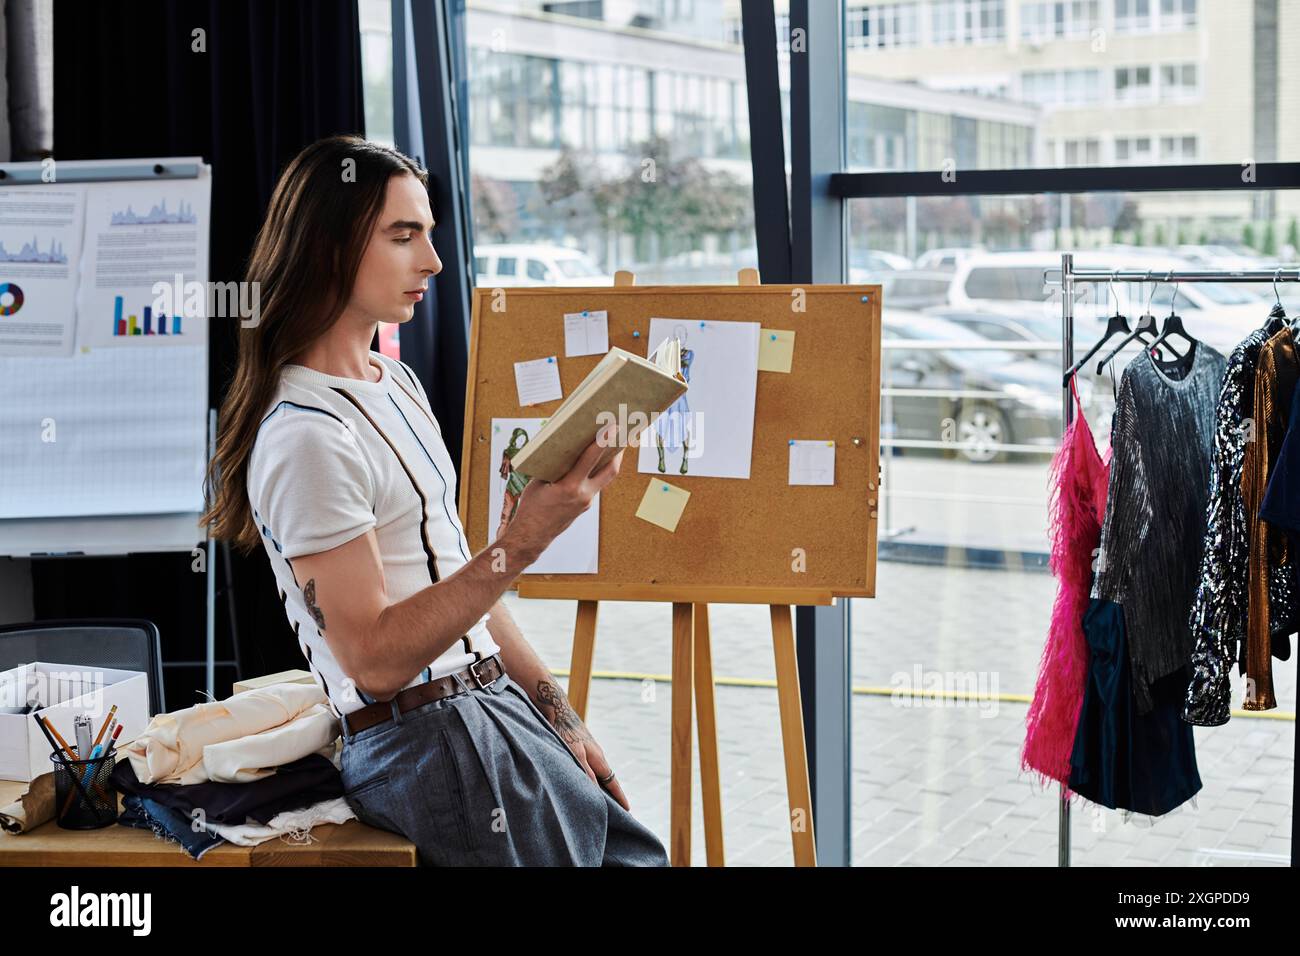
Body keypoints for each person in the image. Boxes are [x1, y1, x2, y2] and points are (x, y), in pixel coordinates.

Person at [200, 134, 668, 867]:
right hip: (433, 740)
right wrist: (524, 541)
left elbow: (461, 588)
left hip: (493, 713)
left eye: (430, 234)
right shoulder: (306, 437)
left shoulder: (400, 385)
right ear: (329, 247)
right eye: (403, 235)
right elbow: (375, 662)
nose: (433, 260)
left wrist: (559, 715)